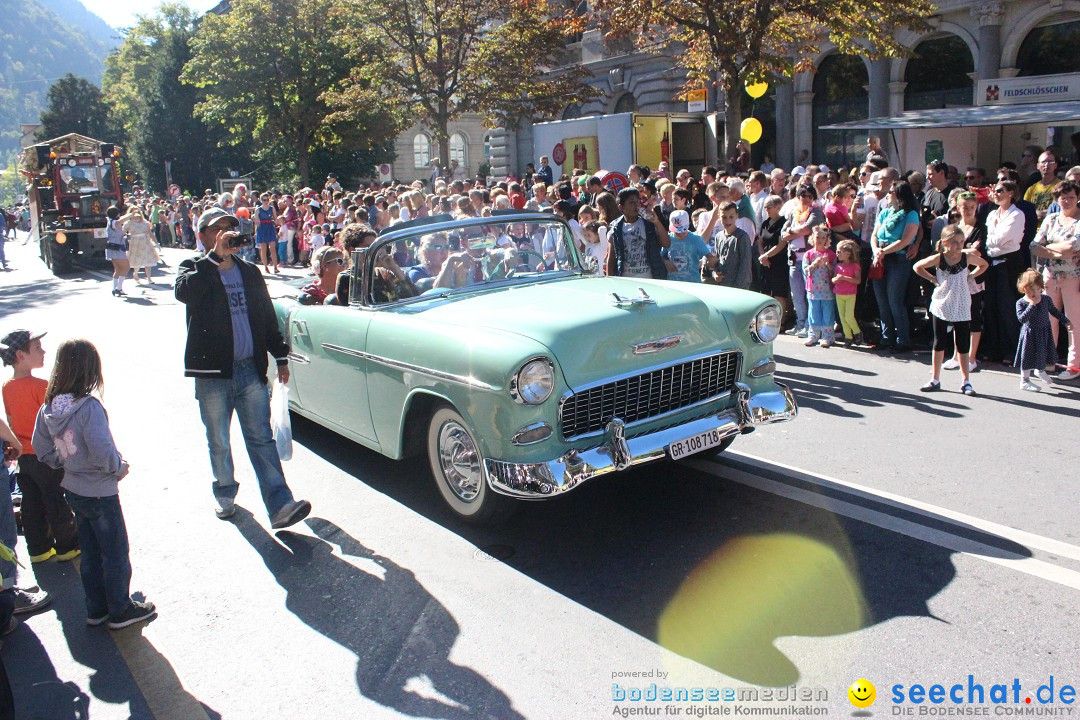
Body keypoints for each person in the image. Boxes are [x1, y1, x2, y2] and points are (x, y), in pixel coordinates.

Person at [174, 209, 311, 529]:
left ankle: (280, 504)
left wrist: (280, 355)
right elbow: (185, 293)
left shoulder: (249, 271)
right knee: (219, 439)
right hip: (212, 376)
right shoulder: (193, 268)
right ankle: (224, 491)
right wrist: (214, 260)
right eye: (217, 229)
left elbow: (265, 316)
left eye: (230, 228)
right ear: (203, 235)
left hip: (250, 369)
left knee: (261, 439)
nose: (226, 234)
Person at [31, 339, 155, 630]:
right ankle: (120, 609)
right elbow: (101, 449)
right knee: (114, 553)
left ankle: (96, 608)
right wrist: (118, 467)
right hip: (100, 492)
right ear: (90, 372)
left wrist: (62, 462)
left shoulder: (49, 408)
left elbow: (41, 446)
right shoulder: (88, 408)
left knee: (90, 552)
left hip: (73, 490)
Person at [1, 329, 80, 566]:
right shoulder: (41, 385)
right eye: (37, 348)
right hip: (45, 454)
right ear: (20, 355)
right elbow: (52, 421)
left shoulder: (7, 386)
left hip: (23, 455)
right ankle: (68, 546)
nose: (43, 351)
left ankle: (39, 549)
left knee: (31, 503)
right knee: (56, 499)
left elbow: (13, 420)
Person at [913, 225, 989, 395]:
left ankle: (966, 381)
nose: (959, 245)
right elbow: (917, 266)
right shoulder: (939, 258)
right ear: (946, 243)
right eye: (955, 242)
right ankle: (935, 378)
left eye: (961, 242)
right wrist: (932, 278)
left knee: (962, 343)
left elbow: (984, 264)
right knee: (939, 341)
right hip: (942, 303)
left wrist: (971, 276)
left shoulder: (966, 257)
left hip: (961, 302)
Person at [1029, 179, 1080, 380]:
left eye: (1071, 197)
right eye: (1063, 198)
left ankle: (1074, 366)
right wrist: (1058, 253)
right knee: (1048, 320)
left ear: (1078, 198)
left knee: (1073, 322)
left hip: (1073, 278)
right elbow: (1034, 245)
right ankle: (1046, 362)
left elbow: (1073, 247)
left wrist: (1048, 250)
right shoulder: (1050, 219)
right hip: (1049, 277)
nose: (1067, 201)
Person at [870, 180, 921, 353]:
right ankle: (887, 337)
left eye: (891, 191)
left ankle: (903, 339)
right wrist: (877, 250)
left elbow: (905, 240)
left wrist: (884, 252)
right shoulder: (885, 212)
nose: (888, 194)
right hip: (880, 257)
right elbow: (874, 234)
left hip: (898, 259)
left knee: (894, 301)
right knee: (882, 302)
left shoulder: (911, 214)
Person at [943, 191, 989, 372]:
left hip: (973, 278)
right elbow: (945, 248)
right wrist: (964, 251)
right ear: (957, 207)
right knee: (957, 316)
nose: (968, 211)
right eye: (964, 207)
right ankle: (957, 355)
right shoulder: (955, 227)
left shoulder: (980, 228)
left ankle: (971, 357)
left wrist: (959, 251)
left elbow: (977, 253)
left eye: (972, 207)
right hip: (955, 277)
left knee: (973, 316)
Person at [984, 180, 1025, 364]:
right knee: (991, 307)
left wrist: (994, 239)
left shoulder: (1017, 214)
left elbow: (1002, 239)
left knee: (1007, 308)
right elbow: (989, 240)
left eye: (1000, 191)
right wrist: (994, 239)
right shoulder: (993, 213)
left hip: (1009, 264)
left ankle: (1012, 351)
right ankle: (994, 350)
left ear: (1010, 193)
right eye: (995, 191)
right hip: (993, 263)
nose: (996, 193)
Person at [781, 184, 826, 337]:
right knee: (797, 294)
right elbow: (783, 232)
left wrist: (791, 233)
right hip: (794, 258)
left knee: (811, 293)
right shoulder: (794, 213)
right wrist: (790, 233)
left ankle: (811, 326)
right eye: (803, 195)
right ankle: (800, 323)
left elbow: (807, 229)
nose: (806, 199)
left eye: (809, 196)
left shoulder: (816, 212)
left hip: (810, 259)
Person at [1015, 270, 1071, 392]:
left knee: (1042, 353)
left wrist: (1065, 321)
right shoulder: (1021, 303)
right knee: (1027, 357)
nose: (1035, 293)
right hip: (1030, 334)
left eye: (1038, 289)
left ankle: (1040, 370)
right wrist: (1031, 305)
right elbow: (1022, 319)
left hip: (1043, 331)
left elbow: (1054, 311)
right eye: (1032, 290)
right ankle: (1024, 380)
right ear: (1024, 289)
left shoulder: (1045, 299)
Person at [605, 187, 670, 279]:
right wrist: (610, 280)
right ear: (621, 207)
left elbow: (666, 244)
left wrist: (656, 222)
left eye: (638, 202)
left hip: (650, 278)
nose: (636, 205)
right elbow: (611, 258)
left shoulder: (648, 224)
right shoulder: (616, 227)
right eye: (631, 202)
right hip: (626, 279)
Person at [803, 226, 837, 347]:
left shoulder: (831, 254)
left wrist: (828, 264)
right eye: (817, 237)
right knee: (813, 311)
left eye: (823, 238)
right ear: (812, 238)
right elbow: (805, 271)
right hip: (813, 289)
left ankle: (827, 336)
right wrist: (814, 264)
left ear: (827, 240)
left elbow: (835, 272)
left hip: (827, 289)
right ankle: (813, 335)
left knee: (827, 312)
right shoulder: (809, 254)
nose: (820, 240)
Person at [661, 210, 714, 283]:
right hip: (673, 283)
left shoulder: (696, 239)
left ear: (688, 225)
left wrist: (709, 263)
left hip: (692, 283)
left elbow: (710, 257)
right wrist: (665, 262)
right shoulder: (669, 238)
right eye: (676, 230)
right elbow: (661, 255)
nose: (680, 233)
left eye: (683, 230)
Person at [832, 239, 863, 345]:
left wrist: (844, 278)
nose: (837, 254)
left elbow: (857, 280)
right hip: (839, 294)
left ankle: (857, 332)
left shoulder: (855, 266)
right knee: (842, 318)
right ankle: (848, 337)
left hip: (850, 294)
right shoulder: (838, 266)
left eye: (839, 252)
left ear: (848, 254)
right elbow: (833, 279)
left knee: (849, 316)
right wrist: (835, 280)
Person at [121, 208, 159, 285]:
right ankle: (135, 273)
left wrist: (156, 243)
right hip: (134, 243)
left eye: (137, 214)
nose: (136, 216)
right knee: (137, 260)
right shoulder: (128, 223)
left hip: (146, 242)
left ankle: (149, 278)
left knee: (148, 260)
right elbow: (122, 233)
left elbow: (150, 233)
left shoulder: (145, 223)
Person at [1023, 151, 1060, 223]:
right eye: (1043, 162)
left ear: (1055, 165)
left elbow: (1058, 209)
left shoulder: (1060, 186)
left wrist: (1035, 214)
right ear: (1037, 166)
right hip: (1033, 229)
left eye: (1050, 162)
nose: (1047, 164)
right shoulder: (1031, 189)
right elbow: (1024, 210)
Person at [105, 207, 130, 297]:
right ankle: (118, 288)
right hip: (117, 248)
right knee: (126, 267)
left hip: (112, 248)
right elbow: (120, 221)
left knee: (118, 269)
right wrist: (131, 215)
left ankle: (114, 288)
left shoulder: (110, 221)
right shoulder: (114, 222)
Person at [254, 194, 280, 274]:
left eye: (267, 200)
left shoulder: (272, 209)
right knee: (263, 249)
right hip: (262, 229)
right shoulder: (258, 209)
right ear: (261, 200)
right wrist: (256, 232)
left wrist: (277, 224)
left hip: (270, 228)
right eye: (264, 200)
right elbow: (256, 222)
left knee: (272, 248)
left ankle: (275, 267)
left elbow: (275, 219)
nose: (266, 201)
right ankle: (265, 267)